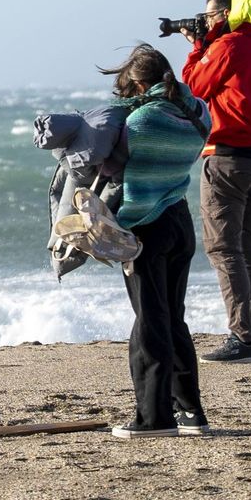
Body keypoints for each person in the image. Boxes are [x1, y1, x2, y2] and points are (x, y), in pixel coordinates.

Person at [97, 44, 213, 438]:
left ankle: (153, 418)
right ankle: (190, 412)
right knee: (172, 318)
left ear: (139, 83)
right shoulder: (198, 112)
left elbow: (108, 165)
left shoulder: (140, 121)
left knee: (149, 321)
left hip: (145, 227)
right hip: (180, 220)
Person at [180, 0, 251, 364]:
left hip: (227, 157)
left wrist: (197, 47)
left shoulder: (229, 46)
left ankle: (243, 338)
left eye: (209, 17)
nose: (205, 23)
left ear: (225, 14)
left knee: (224, 248)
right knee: (249, 247)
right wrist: (208, 40)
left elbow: (192, 89)